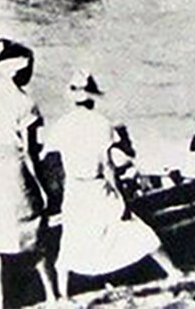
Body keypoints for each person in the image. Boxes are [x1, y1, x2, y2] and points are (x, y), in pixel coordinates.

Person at [48, 70, 179, 298]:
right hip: (97, 186)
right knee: (132, 227)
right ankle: (173, 272)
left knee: (72, 239)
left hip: (76, 188)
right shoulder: (101, 123)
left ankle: (62, 295)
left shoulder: (63, 124)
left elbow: (53, 159)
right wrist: (121, 197)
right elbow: (108, 166)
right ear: (91, 97)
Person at [0, 32, 56, 309]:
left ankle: (0, 304)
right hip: (17, 171)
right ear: (19, 70)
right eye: (28, 68)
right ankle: (53, 296)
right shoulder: (25, 103)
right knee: (35, 237)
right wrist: (43, 189)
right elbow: (31, 152)